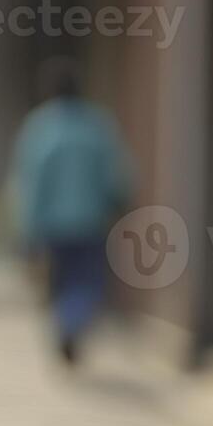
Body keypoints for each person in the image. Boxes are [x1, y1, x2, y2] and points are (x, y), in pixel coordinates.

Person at [9, 57, 133, 366]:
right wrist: (118, 203)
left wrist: (26, 232)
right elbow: (117, 175)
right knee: (87, 282)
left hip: (52, 226)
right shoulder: (97, 125)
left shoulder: (40, 128)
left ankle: (67, 324)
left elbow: (31, 185)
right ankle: (72, 323)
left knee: (60, 284)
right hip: (91, 222)